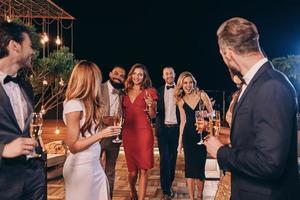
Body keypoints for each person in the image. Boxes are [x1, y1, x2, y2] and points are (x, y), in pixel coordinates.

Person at [204, 17, 300, 200]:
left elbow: (270, 163)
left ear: (228, 53)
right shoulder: (258, 83)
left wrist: (221, 152)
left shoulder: (271, 87)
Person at [63, 60, 121, 200]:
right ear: (88, 81)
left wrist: (98, 160)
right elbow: (73, 146)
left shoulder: (88, 103)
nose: (99, 83)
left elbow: (88, 135)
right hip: (81, 168)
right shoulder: (73, 105)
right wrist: (102, 133)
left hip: (93, 164)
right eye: (96, 79)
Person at [0, 21, 45, 200]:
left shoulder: (26, 86)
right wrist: (3, 149)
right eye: (30, 45)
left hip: (33, 179)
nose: (33, 51)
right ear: (14, 46)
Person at [174, 71, 213, 200]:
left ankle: (200, 196)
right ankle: (191, 198)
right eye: (185, 83)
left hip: (201, 136)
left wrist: (204, 115)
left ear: (194, 83)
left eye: (190, 82)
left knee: (199, 170)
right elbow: (183, 122)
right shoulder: (180, 101)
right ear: (181, 85)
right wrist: (179, 143)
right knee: (190, 169)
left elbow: (212, 114)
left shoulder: (202, 95)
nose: (188, 85)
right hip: (188, 137)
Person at [122, 63, 158, 200]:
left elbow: (153, 115)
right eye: (135, 74)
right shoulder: (124, 92)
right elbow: (121, 113)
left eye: (140, 74)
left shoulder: (150, 92)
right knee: (132, 171)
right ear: (131, 75)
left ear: (144, 77)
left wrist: (150, 105)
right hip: (128, 133)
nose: (137, 77)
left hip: (144, 133)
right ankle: (132, 190)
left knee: (143, 169)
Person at [100, 65, 126, 198]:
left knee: (110, 170)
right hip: (97, 136)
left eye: (122, 75)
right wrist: (101, 118)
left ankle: (108, 196)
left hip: (115, 136)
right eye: (116, 73)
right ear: (110, 74)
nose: (118, 77)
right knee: (95, 168)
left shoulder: (122, 93)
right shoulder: (99, 88)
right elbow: (90, 107)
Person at [156, 66, 180, 200]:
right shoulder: (158, 91)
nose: (169, 75)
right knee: (164, 160)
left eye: (171, 73)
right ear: (163, 76)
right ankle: (166, 189)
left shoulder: (181, 90)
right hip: (163, 130)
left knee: (172, 159)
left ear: (174, 74)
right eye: (166, 74)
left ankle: (168, 183)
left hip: (176, 129)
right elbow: (154, 111)